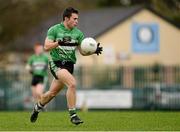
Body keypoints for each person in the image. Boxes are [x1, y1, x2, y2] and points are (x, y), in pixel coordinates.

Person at [30, 7, 103, 125]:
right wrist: (58, 43)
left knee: (52, 93)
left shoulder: (78, 33)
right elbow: (46, 47)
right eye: (74, 19)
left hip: (69, 66)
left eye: (77, 19)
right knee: (72, 84)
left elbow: (82, 52)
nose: (76, 21)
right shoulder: (54, 30)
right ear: (66, 18)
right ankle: (73, 115)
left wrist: (93, 50)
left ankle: (37, 107)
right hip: (56, 63)